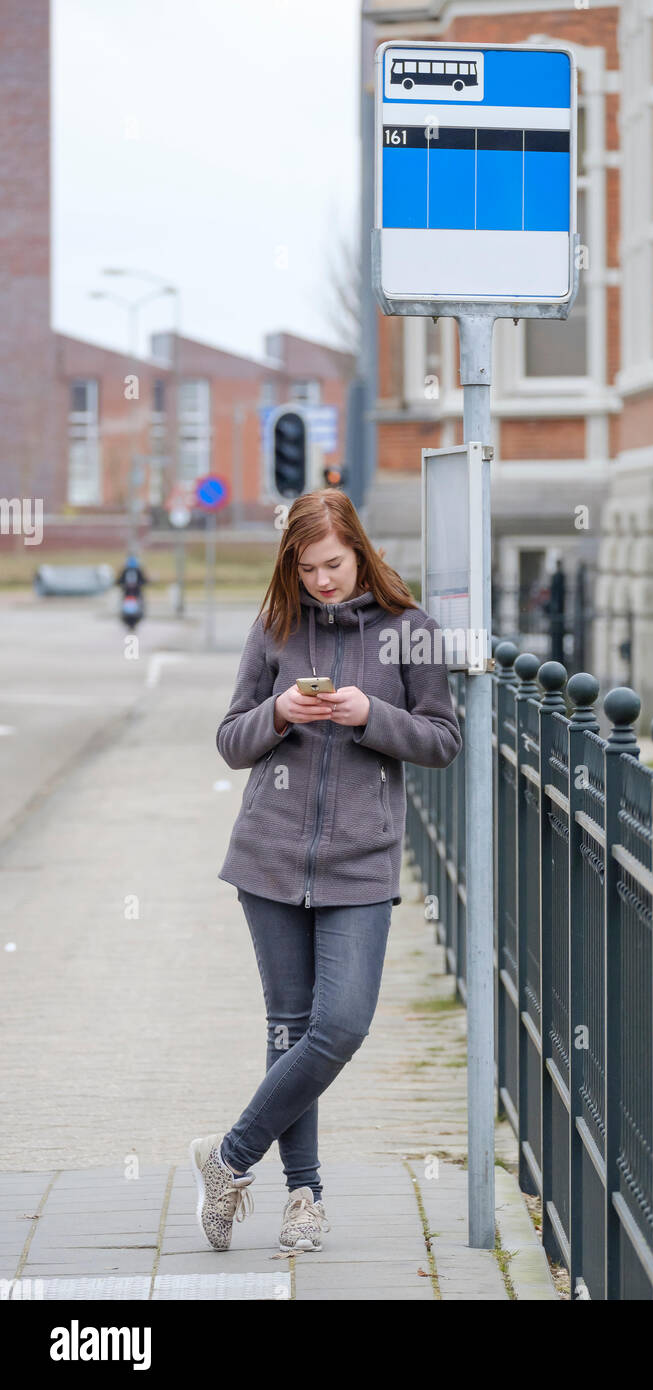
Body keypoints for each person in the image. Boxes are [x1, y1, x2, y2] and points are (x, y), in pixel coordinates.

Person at [189, 489, 462, 1254]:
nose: (322, 582)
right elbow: (230, 740)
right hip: (269, 858)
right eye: (307, 568)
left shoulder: (412, 633)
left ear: (360, 552)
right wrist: (279, 712)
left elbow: (443, 739)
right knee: (290, 1032)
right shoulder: (277, 626)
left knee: (339, 1024)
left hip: (360, 864)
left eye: (334, 565)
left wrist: (366, 715)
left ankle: (227, 1157)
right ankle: (303, 1199)